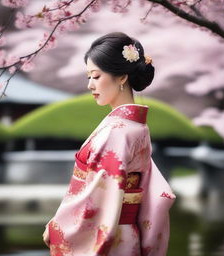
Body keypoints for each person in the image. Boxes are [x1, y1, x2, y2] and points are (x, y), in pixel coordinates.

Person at [43, 32, 176, 256]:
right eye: (88, 77)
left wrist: (58, 225)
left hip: (111, 237)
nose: (90, 85)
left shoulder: (117, 131)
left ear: (122, 77)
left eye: (95, 76)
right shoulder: (137, 127)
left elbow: (99, 195)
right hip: (126, 234)